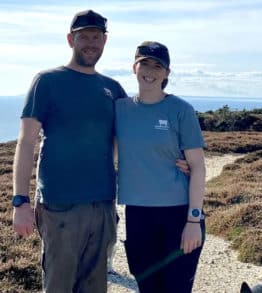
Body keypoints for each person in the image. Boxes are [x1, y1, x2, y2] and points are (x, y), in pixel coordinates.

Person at [12, 10, 127, 293]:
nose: (90, 42)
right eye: (83, 36)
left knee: (95, 286)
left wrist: (179, 161)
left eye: (96, 37)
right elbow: (26, 142)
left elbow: (130, 141)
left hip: (102, 204)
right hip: (58, 204)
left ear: (105, 41)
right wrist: (20, 201)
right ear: (70, 39)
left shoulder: (113, 88)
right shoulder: (47, 81)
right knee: (58, 286)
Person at [115, 41, 206, 293]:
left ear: (167, 73)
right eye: (144, 63)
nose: (150, 70)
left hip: (178, 214)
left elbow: (198, 167)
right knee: (148, 288)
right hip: (138, 215)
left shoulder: (181, 110)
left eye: (158, 66)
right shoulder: (120, 109)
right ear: (134, 67)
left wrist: (193, 220)